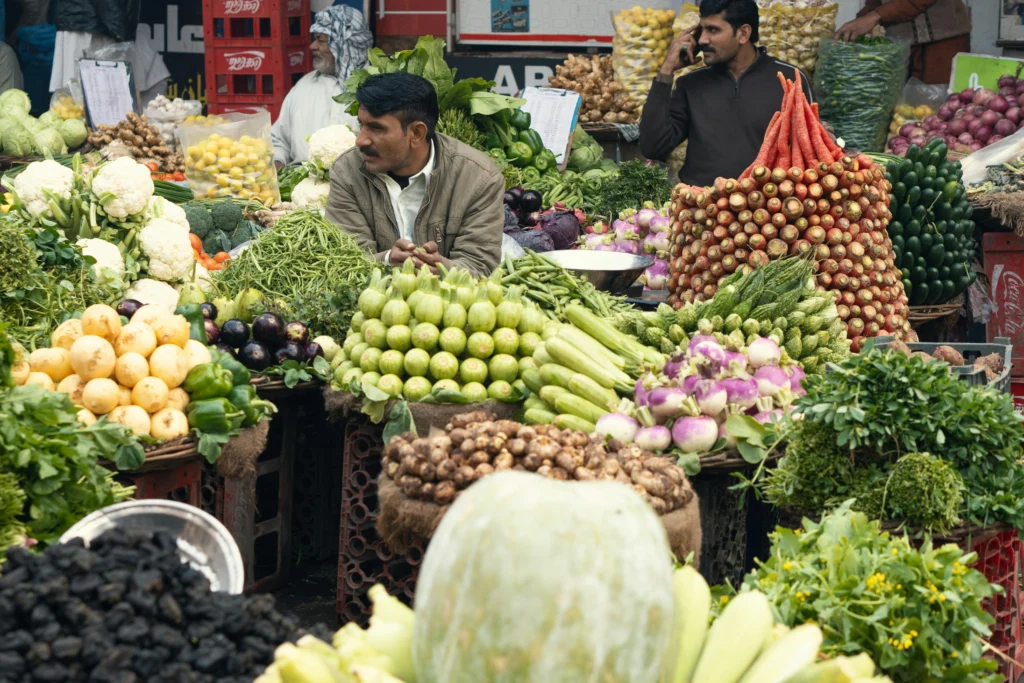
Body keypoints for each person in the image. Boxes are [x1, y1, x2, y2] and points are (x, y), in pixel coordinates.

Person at [324, 73, 504, 278]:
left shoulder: (478, 178)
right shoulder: (347, 172)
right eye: (361, 125)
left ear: (416, 133)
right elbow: (342, 259)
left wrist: (442, 268)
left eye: (376, 128)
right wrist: (386, 261)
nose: (361, 140)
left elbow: (480, 265)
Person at [638, 0, 812, 188]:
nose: (702, 40)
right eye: (701, 30)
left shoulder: (789, 79)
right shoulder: (690, 84)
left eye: (713, 30)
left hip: (769, 208)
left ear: (743, 34)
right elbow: (653, 147)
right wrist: (666, 71)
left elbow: (810, 152)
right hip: (702, 207)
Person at [271, 5, 372, 167]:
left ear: (344, 46)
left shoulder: (375, 88)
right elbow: (278, 140)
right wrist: (277, 162)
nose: (313, 46)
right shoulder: (303, 86)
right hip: (302, 185)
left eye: (321, 40)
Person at [835, 0, 970, 86]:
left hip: (942, 43)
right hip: (903, 46)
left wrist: (875, 16)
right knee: (906, 116)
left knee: (940, 111)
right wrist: (858, 23)